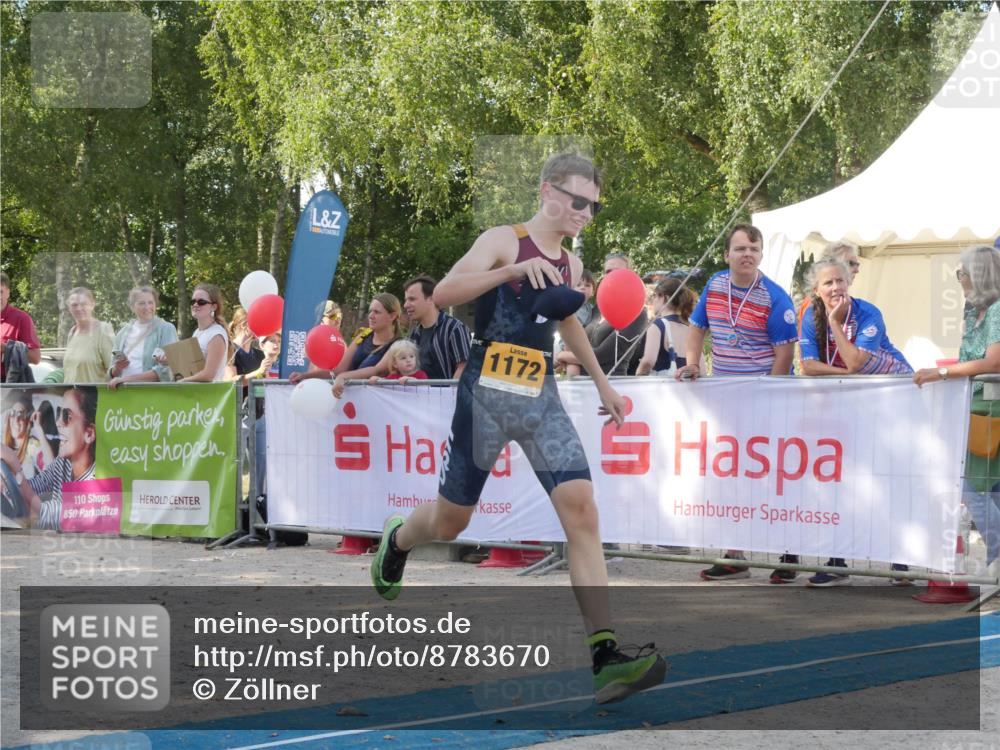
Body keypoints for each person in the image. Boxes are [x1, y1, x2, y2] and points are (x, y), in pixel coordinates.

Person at [368, 152, 666, 705]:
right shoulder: (504, 239)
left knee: (581, 508)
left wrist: (603, 384)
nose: (585, 213)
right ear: (548, 190)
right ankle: (400, 538)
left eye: (593, 206)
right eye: (579, 201)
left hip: (539, 397)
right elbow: (447, 294)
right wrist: (509, 271)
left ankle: (605, 657)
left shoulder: (572, 263)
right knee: (452, 522)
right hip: (486, 393)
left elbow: (568, 322)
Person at [676, 223, 798, 581]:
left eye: (754, 249)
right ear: (727, 254)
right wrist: (692, 363)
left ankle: (790, 554)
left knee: (778, 478)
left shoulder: (775, 297)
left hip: (765, 400)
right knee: (730, 477)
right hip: (726, 402)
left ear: (761, 255)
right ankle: (734, 555)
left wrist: (769, 399)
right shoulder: (714, 286)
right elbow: (697, 328)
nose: (748, 254)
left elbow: (785, 354)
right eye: (741, 248)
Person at [796, 258, 913, 586]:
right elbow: (808, 365)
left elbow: (858, 360)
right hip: (849, 406)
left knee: (887, 479)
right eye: (827, 283)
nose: (835, 288)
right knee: (840, 483)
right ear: (816, 291)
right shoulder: (810, 317)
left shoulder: (868, 313)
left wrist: (835, 325)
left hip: (894, 404)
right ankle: (836, 562)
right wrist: (846, 374)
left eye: (839, 281)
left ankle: (900, 562)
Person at [915, 244, 1000, 568]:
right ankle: (995, 559)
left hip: (989, 408)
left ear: (979, 276)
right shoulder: (973, 311)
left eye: (961, 273)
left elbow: (993, 361)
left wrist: (943, 372)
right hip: (974, 406)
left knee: (971, 487)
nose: (959, 279)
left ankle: (997, 552)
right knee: (984, 489)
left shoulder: (996, 311)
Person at [1, 386, 97, 530]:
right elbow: (36, 485)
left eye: (67, 417)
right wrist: (7, 483)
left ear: (89, 434)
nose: (58, 422)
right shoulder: (63, 463)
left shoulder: (96, 479)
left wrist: (15, 467)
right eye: (59, 413)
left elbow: (47, 515)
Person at [555, 254, 647, 376]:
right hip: (581, 384)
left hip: (612, 384)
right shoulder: (598, 308)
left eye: (618, 271)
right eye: (608, 272)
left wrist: (562, 356)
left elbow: (600, 356)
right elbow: (576, 341)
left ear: (630, 274)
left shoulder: (637, 313)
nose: (612, 276)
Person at [290, 294, 403, 386]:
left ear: (392, 316)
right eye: (370, 311)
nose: (371, 316)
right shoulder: (362, 336)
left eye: (377, 312)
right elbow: (338, 372)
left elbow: (376, 370)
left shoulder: (399, 345)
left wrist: (343, 377)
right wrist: (306, 376)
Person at [107, 286, 178, 389]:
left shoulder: (166, 329)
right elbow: (111, 374)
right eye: (141, 303)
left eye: (150, 302)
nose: (147, 307)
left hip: (152, 394)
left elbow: (166, 370)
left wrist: (126, 380)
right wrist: (117, 368)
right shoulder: (122, 333)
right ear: (132, 307)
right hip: (124, 395)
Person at [402, 275, 470, 380]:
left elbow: (464, 368)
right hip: (419, 395)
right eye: (406, 300)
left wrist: (448, 395)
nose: (406, 305)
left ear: (430, 299)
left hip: (447, 395)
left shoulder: (454, 328)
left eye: (412, 299)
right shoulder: (414, 334)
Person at [637, 277, 702, 376]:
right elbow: (702, 370)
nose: (652, 301)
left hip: (662, 390)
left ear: (664, 297)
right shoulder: (692, 331)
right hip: (687, 390)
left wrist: (638, 375)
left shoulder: (657, 326)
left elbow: (648, 361)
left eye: (654, 296)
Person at [797, 240, 862, 326]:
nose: (856, 270)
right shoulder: (811, 306)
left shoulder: (861, 309)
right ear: (830, 263)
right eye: (850, 263)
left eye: (857, 264)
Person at [177, 283, 229, 383]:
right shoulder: (197, 332)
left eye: (201, 302)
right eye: (193, 301)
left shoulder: (216, 334)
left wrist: (183, 381)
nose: (195, 305)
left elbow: (209, 375)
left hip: (210, 396)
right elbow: (191, 367)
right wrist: (168, 361)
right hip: (195, 394)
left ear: (213, 307)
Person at [61, 287, 115, 384]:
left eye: (83, 304)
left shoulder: (103, 330)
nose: (79, 308)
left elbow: (114, 370)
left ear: (92, 304)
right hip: (70, 395)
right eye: (74, 305)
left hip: (96, 397)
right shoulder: (72, 332)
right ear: (69, 308)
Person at [555, 270, 597, 377]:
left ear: (593, 292)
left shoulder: (589, 308)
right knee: (573, 369)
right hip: (568, 344)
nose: (583, 287)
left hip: (579, 344)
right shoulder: (573, 307)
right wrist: (568, 355)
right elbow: (569, 332)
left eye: (587, 285)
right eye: (578, 285)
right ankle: (572, 387)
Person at [1, 271, 42, 382]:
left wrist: (5, 348)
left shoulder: (21, 318)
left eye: (0, 292)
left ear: (8, 293)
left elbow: (36, 357)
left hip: (9, 387)